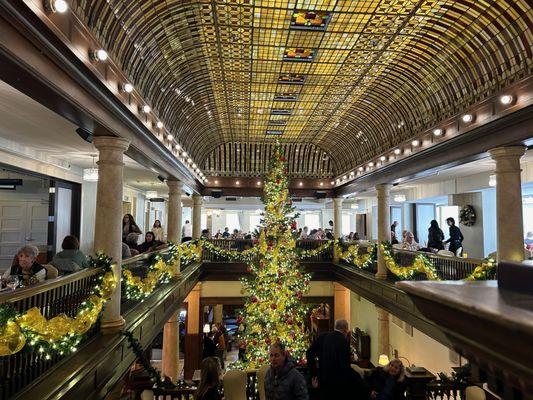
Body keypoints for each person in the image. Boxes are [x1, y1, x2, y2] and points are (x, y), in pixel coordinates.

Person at [307, 319, 368, 399]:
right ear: (345, 330)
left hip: (322, 379)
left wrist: (313, 374)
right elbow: (345, 368)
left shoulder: (323, 336)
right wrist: (363, 384)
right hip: (336, 385)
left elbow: (309, 353)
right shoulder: (343, 342)